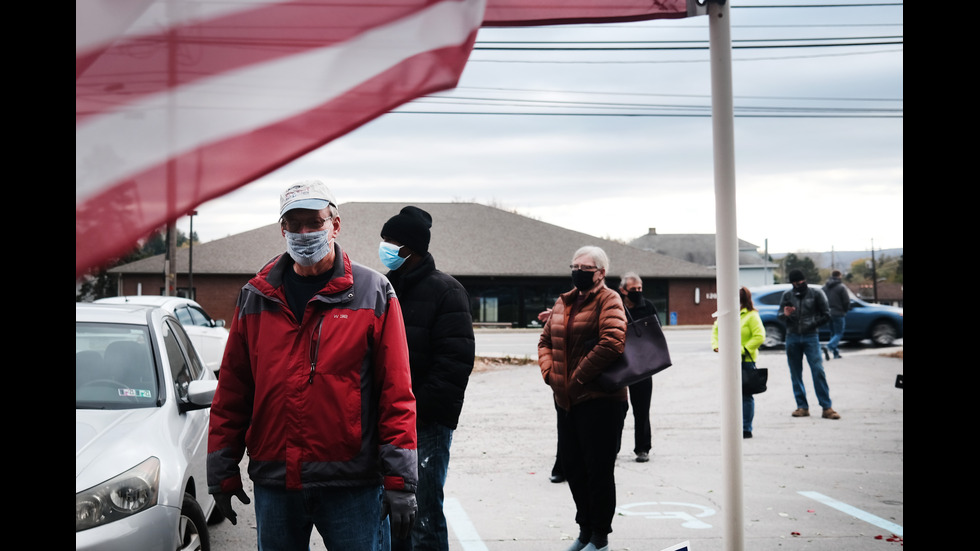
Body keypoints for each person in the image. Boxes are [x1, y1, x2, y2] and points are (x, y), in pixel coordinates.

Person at [207, 180, 418, 551]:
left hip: (351, 484)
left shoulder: (374, 292)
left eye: (314, 222)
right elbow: (233, 391)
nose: (304, 233)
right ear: (283, 229)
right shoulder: (256, 296)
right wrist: (222, 469)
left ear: (335, 225)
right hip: (277, 481)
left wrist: (401, 480)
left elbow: (395, 393)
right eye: (294, 224)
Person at [379, 206, 476, 551]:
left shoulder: (446, 291)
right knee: (392, 513)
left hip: (427, 422)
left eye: (390, 241)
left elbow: (454, 364)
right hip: (388, 421)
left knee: (423, 515)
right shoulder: (384, 288)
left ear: (410, 247)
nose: (385, 247)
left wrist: (410, 408)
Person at [539, 246, 628, 551]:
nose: (577, 271)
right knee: (573, 468)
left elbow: (612, 342)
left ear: (601, 273)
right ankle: (585, 531)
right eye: (574, 265)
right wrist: (551, 374)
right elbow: (545, 340)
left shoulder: (609, 299)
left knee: (598, 471)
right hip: (566, 401)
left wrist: (576, 377)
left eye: (585, 267)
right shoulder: (564, 302)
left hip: (601, 400)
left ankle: (600, 538)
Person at [778, 269, 840, 420]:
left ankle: (827, 407)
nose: (797, 285)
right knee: (795, 373)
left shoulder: (816, 294)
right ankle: (802, 407)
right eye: (794, 283)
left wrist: (811, 324)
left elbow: (827, 315)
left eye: (799, 282)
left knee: (818, 370)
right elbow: (779, 316)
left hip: (811, 336)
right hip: (792, 336)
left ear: (804, 280)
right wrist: (785, 315)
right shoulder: (787, 295)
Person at [712, 287, 766, 438]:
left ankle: (746, 428)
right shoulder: (726, 314)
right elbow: (716, 330)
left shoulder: (751, 315)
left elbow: (760, 336)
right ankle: (732, 427)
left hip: (746, 361)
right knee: (729, 394)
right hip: (728, 361)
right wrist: (716, 345)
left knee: (746, 395)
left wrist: (741, 350)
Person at [617, 272, 660, 462]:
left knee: (641, 409)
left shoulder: (647, 306)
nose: (637, 292)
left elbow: (656, 333)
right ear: (623, 290)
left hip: (642, 363)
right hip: (618, 363)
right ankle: (612, 447)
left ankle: (642, 448)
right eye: (633, 289)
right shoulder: (614, 305)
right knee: (616, 408)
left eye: (640, 288)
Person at [822, 270, 850, 359]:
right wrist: (845, 310)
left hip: (827, 313)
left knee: (833, 333)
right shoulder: (841, 287)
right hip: (838, 312)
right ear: (839, 275)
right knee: (839, 333)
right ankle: (829, 347)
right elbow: (846, 301)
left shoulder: (824, 287)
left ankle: (836, 353)